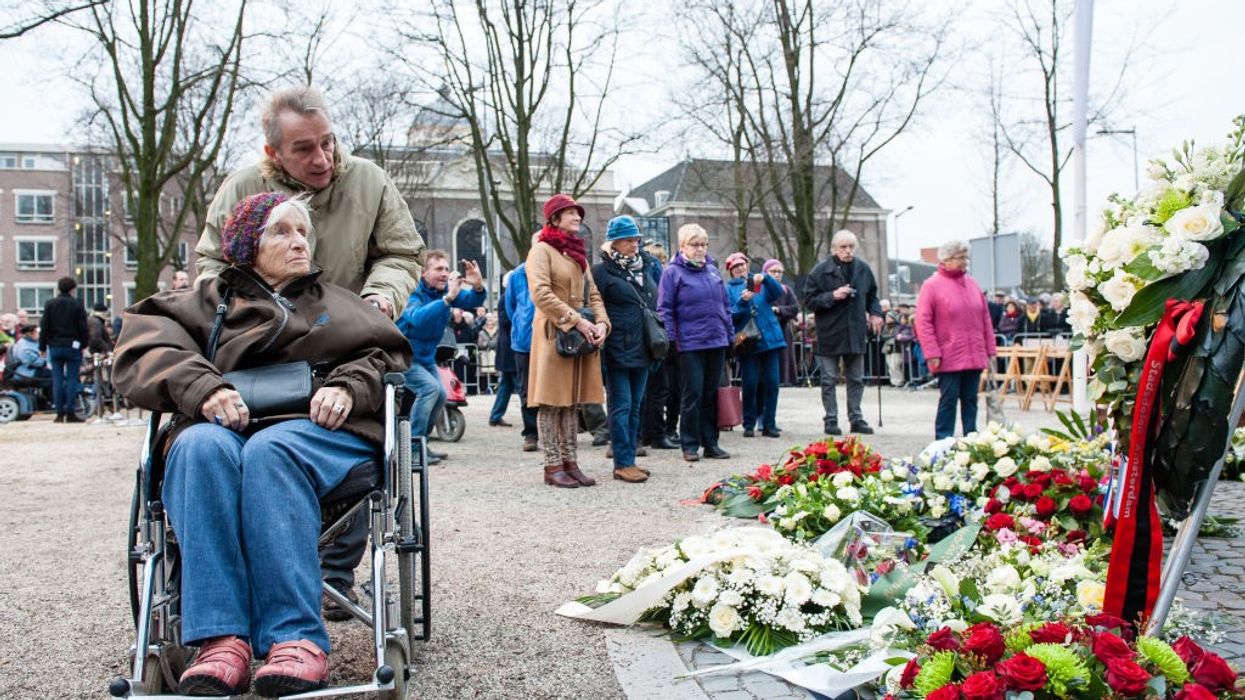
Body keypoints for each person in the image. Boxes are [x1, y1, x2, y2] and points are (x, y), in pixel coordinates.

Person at [111, 192, 412, 696]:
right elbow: (143, 348)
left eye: (302, 232)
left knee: (270, 451)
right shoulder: (204, 302)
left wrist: (347, 385)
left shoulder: (335, 302)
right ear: (247, 245)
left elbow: (386, 355)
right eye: (282, 232)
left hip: (318, 431)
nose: (299, 242)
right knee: (197, 449)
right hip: (224, 425)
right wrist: (203, 387)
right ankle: (220, 640)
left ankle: (294, 638)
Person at [194, 85, 425, 318]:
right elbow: (214, 263)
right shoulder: (242, 189)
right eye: (304, 149)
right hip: (263, 338)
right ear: (273, 152)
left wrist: (380, 297)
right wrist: (237, 312)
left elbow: (402, 253)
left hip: (351, 334)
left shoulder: (370, 182)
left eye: (327, 142)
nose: (322, 159)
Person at [526, 193, 610, 488]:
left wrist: (601, 323)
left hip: (580, 336)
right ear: (554, 218)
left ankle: (570, 462)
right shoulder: (541, 251)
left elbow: (594, 294)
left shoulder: (578, 255)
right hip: (553, 336)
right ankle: (552, 466)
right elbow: (541, 293)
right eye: (571, 213)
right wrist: (577, 320)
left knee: (571, 401)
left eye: (579, 214)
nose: (577, 218)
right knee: (551, 402)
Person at [396, 250, 486, 465]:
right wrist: (447, 300)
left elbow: (472, 299)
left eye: (446, 269)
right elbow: (418, 318)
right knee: (430, 390)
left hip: (426, 357)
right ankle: (411, 450)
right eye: (438, 269)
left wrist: (478, 285)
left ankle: (420, 444)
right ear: (423, 272)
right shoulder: (412, 291)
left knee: (441, 395)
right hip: (403, 356)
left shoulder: (446, 290)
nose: (444, 274)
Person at [591, 215, 660, 483]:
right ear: (615, 242)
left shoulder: (645, 267)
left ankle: (630, 457)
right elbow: (597, 308)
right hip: (617, 347)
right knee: (621, 405)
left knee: (636, 406)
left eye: (636, 239)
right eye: (629, 240)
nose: (635, 245)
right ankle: (622, 462)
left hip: (644, 347)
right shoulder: (601, 272)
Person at [657, 223, 733, 462]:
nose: (700, 249)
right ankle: (689, 444)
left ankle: (711, 443)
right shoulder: (672, 273)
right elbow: (665, 308)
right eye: (695, 244)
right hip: (689, 343)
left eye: (703, 244)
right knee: (692, 395)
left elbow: (725, 305)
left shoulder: (712, 270)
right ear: (683, 246)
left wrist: (729, 335)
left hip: (716, 340)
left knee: (712, 394)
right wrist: (670, 339)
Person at [802, 229, 883, 435]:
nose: (848, 251)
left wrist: (875, 313)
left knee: (856, 378)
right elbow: (809, 301)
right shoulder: (820, 271)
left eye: (851, 247)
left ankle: (856, 418)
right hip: (830, 331)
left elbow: (873, 295)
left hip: (855, 331)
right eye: (843, 247)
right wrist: (832, 296)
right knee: (828, 378)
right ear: (834, 249)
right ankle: (831, 419)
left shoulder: (863, 269)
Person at [915, 240, 998, 439]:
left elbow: (985, 318)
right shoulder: (931, 286)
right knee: (948, 400)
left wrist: (990, 349)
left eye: (965, 257)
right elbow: (923, 322)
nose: (965, 262)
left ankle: (971, 437)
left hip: (974, 353)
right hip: (948, 355)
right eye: (960, 258)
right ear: (946, 259)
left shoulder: (973, 284)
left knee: (971, 399)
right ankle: (943, 440)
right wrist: (932, 352)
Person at [724, 252, 786, 438]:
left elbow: (777, 293)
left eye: (742, 265)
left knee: (772, 383)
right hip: (747, 343)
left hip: (770, 340)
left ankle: (769, 423)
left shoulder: (758, 281)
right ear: (730, 271)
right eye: (736, 267)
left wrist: (766, 278)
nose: (740, 269)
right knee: (749, 384)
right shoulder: (728, 289)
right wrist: (742, 302)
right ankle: (749, 423)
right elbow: (731, 316)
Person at [40, 276, 89, 423]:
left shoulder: (50, 304)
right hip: (72, 345)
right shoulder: (77, 304)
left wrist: (42, 346)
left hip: (54, 345)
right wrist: (84, 344)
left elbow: (44, 326)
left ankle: (59, 412)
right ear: (73, 289)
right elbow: (83, 326)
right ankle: (70, 411)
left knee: (57, 379)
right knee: (72, 379)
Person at [503, 262, 540, 451]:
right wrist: (521, 324)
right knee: (526, 389)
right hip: (524, 342)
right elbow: (510, 307)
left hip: (547, 341)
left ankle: (553, 431)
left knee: (551, 388)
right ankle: (531, 433)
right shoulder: (518, 275)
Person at [766, 259, 800, 387]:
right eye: (773, 271)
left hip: (783, 330)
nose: (777, 274)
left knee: (782, 359)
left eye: (780, 272)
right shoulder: (756, 286)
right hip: (763, 331)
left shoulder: (786, 289)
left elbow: (795, 308)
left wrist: (779, 310)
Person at [489, 274, 518, 427]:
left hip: (507, 347)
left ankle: (495, 415)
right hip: (510, 348)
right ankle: (532, 417)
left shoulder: (506, 297)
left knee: (506, 386)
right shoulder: (508, 298)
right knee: (519, 384)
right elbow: (507, 321)